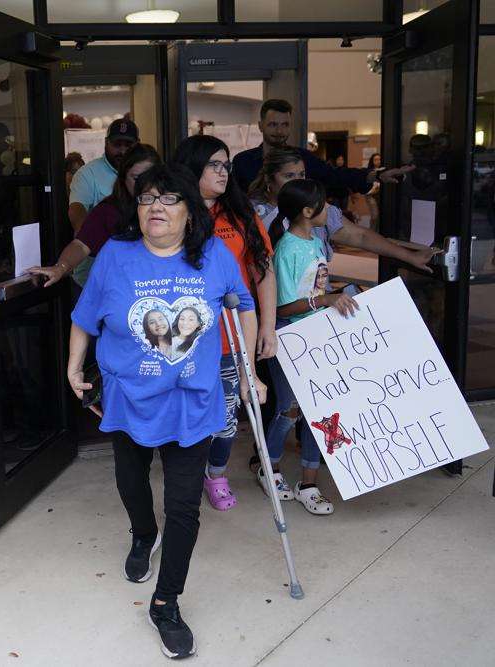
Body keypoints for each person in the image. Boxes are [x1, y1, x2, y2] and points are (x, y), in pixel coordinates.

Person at [68, 164, 259, 660]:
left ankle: (165, 602)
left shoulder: (213, 255)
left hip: (193, 401)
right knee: (132, 483)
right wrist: (73, 367)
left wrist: (252, 367)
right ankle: (141, 532)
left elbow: (242, 305)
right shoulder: (116, 255)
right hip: (130, 396)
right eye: (147, 197)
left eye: (169, 198)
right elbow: (85, 316)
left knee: (183, 507)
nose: (156, 206)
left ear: (188, 212)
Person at [171, 134, 274, 512]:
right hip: (185, 341)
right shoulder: (173, 212)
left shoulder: (240, 214)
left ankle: (215, 474)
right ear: (191, 168)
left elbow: (263, 269)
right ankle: (186, 474)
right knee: (187, 415)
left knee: (227, 419)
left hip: (232, 337)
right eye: (214, 164)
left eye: (226, 164)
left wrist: (267, 326)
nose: (223, 171)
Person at [264, 179, 359, 515]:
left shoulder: (316, 242)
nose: (329, 211)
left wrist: (339, 294)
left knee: (321, 414)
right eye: (323, 206)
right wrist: (327, 298)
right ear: (307, 212)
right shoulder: (287, 248)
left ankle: (309, 482)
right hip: (291, 340)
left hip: (318, 338)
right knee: (289, 411)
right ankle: (270, 468)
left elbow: (319, 285)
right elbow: (283, 307)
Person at [249, 148, 437, 271]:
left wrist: (410, 257)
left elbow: (360, 236)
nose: (298, 181)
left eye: (302, 175)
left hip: (315, 304)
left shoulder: (316, 206)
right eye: (289, 176)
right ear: (269, 180)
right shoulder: (250, 213)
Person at [30, 143, 160, 288]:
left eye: (149, 177)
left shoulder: (171, 207)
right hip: (119, 290)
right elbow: (81, 244)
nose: (143, 185)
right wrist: (60, 267)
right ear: (123, 178)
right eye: (136, 178)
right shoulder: (109, 210)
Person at [231, 99, 412, 195]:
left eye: (285, 124)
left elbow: (336, 175)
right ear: (260, 125)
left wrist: (377, 174)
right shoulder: (242, 162)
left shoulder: (303, 158)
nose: (279, 131)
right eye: (272, 125)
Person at [68, 118, 139, 234]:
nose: (122, 151)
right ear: (106, 143)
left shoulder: (146, 171)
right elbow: (77, 209)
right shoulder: (87, 174)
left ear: (138, 144)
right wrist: (86, 239)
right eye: (117, 144)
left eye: (128, 145)